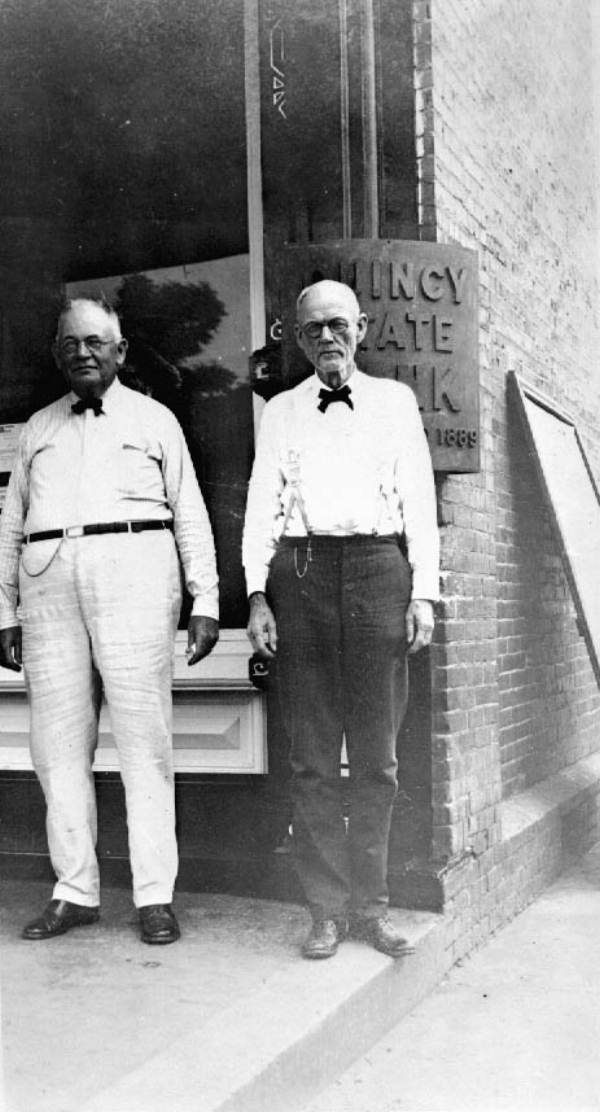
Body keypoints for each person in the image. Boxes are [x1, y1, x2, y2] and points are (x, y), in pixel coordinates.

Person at [0, 297, 219, 945]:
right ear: (56, 353)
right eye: (70, 343)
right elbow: (9, 526)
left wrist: (205, 598)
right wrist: (4, 611)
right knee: (56, 746)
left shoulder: (156, 420)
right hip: (48, 591)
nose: (82, 353)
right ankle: (75, 889)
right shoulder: (37, 429)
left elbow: (190, 511)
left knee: (143, 744)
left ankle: (154, 895)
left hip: (136, 579)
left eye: (95, 341)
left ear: (120, 352)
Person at [243, 280, 439, 960]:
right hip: (300, 579)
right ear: (296, 338)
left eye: (337, 324)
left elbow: (418, 499)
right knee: (314, 758)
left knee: (379, 758)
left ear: (360, 327)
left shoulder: (394, 403)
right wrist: (257, 595)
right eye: (310, 330)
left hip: (381, 572)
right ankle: (325, 909)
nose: (325, 338)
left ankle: (371, 907)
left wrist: (424, 594)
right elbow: (262, 503)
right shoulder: (282, 413)